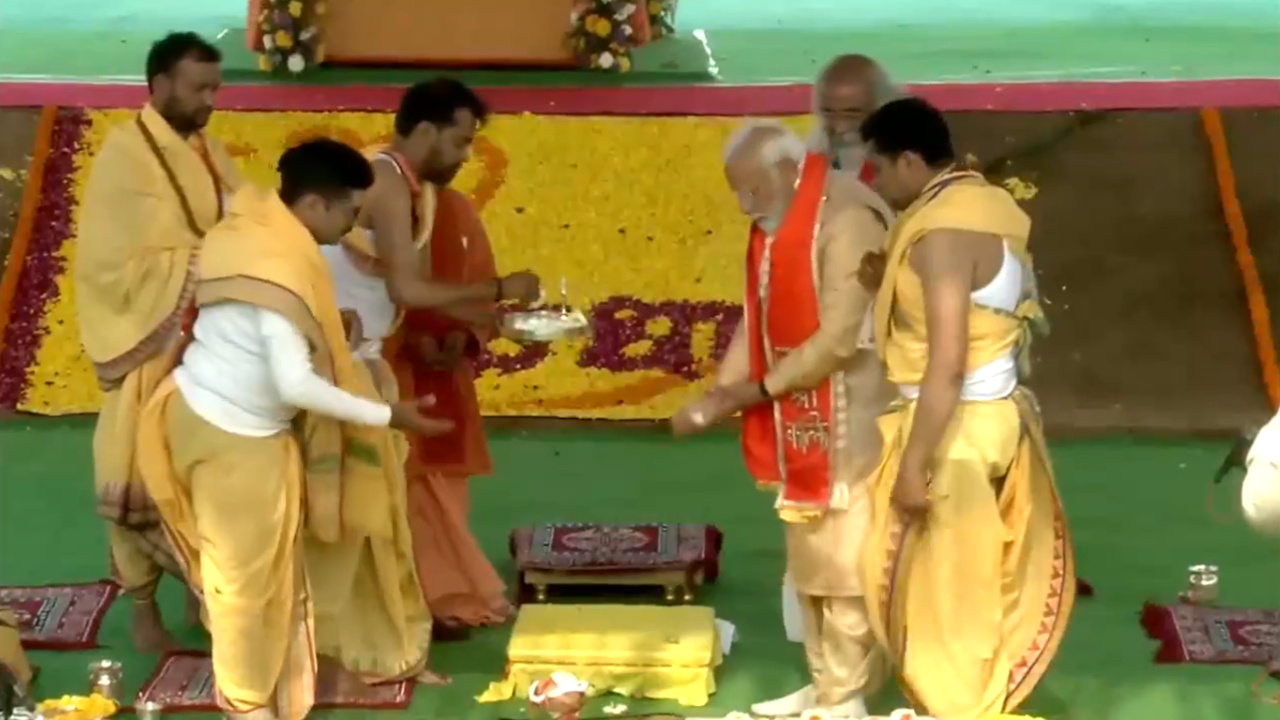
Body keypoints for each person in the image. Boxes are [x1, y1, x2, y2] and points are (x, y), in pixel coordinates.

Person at [135, 139, 454, 720]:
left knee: (253, 576)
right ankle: (248, 705)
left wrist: (331, 329)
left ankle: (270, 682)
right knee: (244, 586)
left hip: (196, 411)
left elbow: (256, 325)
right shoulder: (280, 265)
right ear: (312, 204)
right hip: (233, 437)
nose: (354, 226)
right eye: (348, 213)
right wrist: (389, 415)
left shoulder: (253, 226)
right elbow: (295, 386)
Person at [855, 97, 1075, 720]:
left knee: (947, 599)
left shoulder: (943, 234)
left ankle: (959, 710)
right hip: (996, 416)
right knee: (968, 579)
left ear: (907, 160)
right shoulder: (987, 206)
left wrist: (913, 463)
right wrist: (887, 288)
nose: (875, 183)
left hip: (955, 433)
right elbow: (987, 313)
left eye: (879, 169)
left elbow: (948, 361)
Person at [670, 121, 896, 719]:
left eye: (751, 191)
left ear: (790, 172)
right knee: (812, 561)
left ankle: (847, 700)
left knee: (848, 566)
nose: (744, 206)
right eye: (737, 193)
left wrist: (756, 390)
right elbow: (759, 315)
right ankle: (827, 689)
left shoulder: (848, 218)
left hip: (857, 412)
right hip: (803, 413)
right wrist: (721, 393)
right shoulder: (781, 221)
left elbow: (843, 337)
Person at [72, 31, 238, 652]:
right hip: (148, 336)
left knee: (205, 472)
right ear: (161, 84)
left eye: (215, 87)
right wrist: (200, 263)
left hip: (206, 338)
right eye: (199, 87)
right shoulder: (124, 155)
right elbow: (112, 264)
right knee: (134, 468)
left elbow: (240, 215)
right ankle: (145, 615)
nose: (210, 99)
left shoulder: (207, 150)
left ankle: (204, 596)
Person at [389, 187, 513, 635]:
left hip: (446, 372)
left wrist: (465, 333)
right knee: (400, 483)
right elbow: (370, 289)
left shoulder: (457, 208)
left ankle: (447, 595)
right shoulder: (382, 202)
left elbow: (480, 282)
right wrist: (406, 337)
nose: (461, 155)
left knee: (442, 486)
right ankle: (413, 602)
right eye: (456, 141)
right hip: (390, 367)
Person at [807, 54, 898, 180]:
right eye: (829, 112)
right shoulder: (814, 151)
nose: (839, 129)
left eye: (852, 114)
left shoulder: (907, 161)